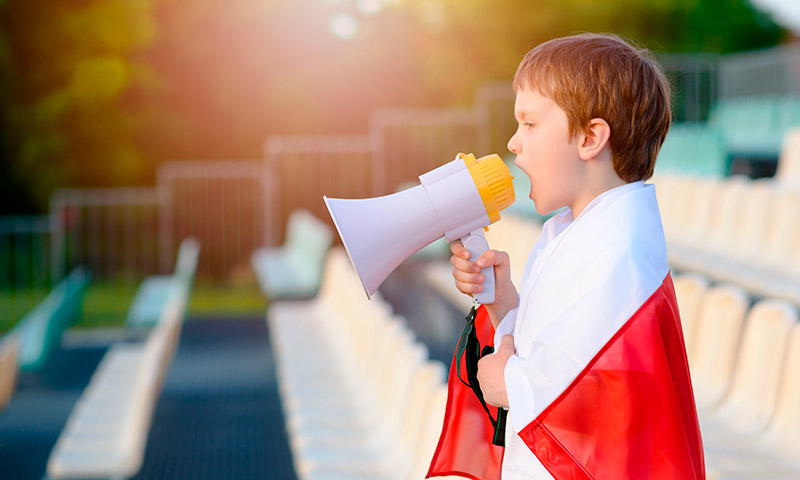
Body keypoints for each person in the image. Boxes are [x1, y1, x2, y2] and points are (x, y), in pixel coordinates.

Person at [426, 33, 705, 479]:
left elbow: (595, 394)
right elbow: (560, 352)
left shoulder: (619, 255)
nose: (514, 143)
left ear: (591, 138)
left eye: (530, 124)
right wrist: (505, 304)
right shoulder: (573, 232)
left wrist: (506, 383)